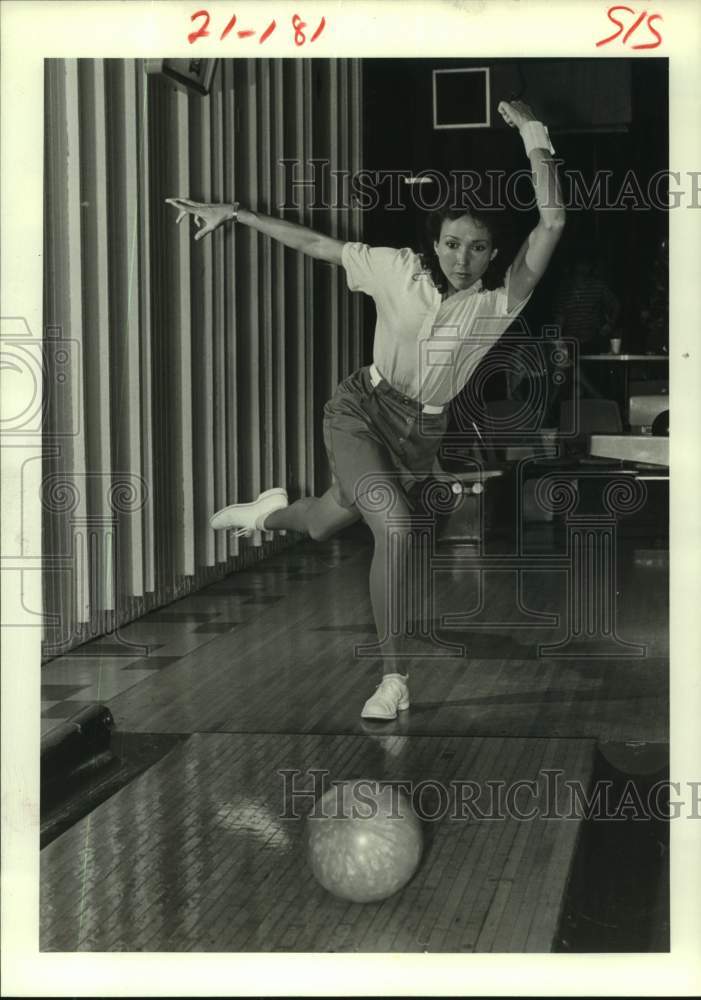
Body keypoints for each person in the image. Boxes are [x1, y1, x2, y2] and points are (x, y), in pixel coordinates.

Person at [166, 99, 565, 721]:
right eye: (453, 243)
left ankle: (267, 516)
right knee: (397, 527)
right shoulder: (395, 269)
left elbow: (553, 220)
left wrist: (534, 136)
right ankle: (393, 678)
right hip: (361, 410)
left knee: (326, 521)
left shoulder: (500, 302)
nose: (463, 258)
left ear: (493, 255)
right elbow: (318, 245)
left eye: (479, 248)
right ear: (435, 242)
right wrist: (238, 214)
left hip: (421, 433)